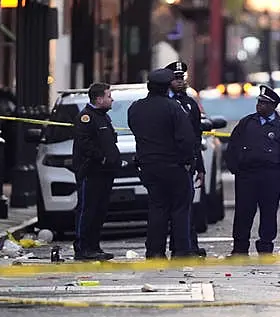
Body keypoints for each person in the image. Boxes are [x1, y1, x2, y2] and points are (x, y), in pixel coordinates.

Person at [127, 69, 197, 259]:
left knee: (157, 208)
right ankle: (181, 250)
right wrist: (188, 161)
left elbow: (136, 131)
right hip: (173, 166)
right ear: (167, 87)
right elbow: (186, 139)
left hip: (149, 166)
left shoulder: (136, 108)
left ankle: (155, 251)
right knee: (180, 209)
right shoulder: (173, 108)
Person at [225, 85, 280, 256]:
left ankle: (266, 248)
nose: (260, 106)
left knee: (268, 213)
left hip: (271, 176)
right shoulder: (247, 123)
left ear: (273, 106)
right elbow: (233, 146)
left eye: (265, 103)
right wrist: (235, 168)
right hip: (247, 175)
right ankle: (240, 248)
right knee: (243, 212)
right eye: (259, 102)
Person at [72, 82, 121, 261]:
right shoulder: (86, 117)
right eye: (109, 96)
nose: (112, 99)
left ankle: (94, 246)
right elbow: (85, 144)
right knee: (87, 210)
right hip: (91, 172)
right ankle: (82, 248)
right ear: (99, 99)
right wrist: (101, 157)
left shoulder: (102, 117)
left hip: (104, 172)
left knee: (99, 211)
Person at [165, 60, 206, 257]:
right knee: (171, 208)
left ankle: (189, 245)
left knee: (186, 206)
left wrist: (200, 166)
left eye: (182, 78)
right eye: (176, 78)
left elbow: (196, 137)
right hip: (169, 162)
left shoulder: (190, 103)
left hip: (187, 162)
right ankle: (178, 247)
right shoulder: (164, 101)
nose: (180, 82)